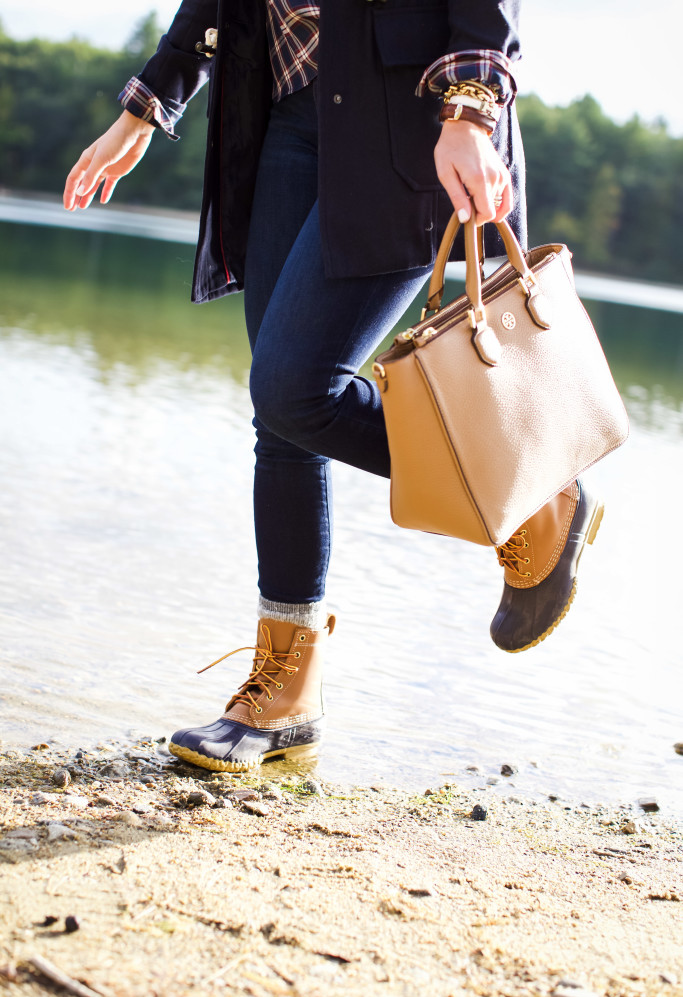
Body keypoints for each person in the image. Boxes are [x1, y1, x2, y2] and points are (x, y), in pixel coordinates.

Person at [64, 1, 601, 774]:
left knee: (296, 389)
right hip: (281, 113)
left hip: (408, 115)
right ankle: (287, 693)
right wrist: (148, 104)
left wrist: (471, 106)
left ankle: (532, 495)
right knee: (279, 418)